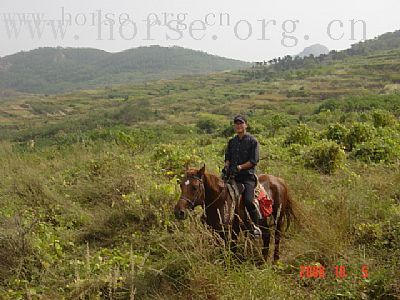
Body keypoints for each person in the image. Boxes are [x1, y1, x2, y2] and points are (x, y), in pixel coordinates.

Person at [223, 114, 262, 237]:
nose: (238, 126)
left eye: (241, 123)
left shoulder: (252, 141)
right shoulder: (232, 142)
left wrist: (240, 167)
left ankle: (255, 227)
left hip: (246, 177)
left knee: (248, 201)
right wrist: (226, 166)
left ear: (246, 125)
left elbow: (253, 161)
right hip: (232, 177)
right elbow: (228, 158)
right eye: (236, 124)